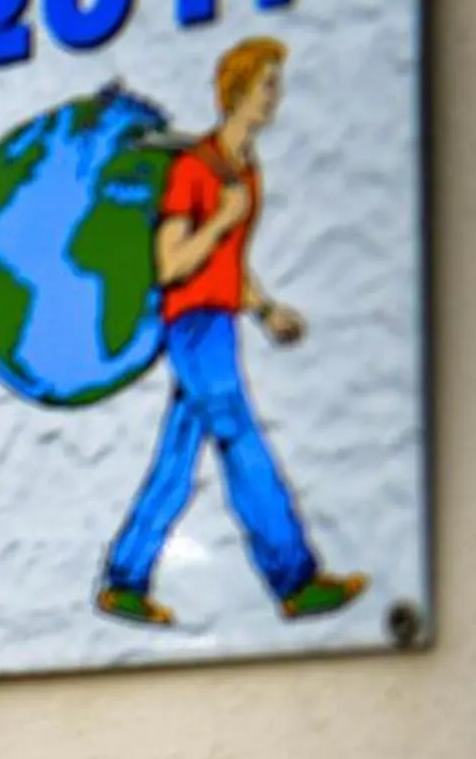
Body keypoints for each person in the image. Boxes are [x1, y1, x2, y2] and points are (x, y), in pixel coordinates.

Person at [97, 37, 363, 628]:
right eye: (267, 84)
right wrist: (220, 217)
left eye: (277, 84)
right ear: (238, 91)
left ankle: (124, 578)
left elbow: (228, 267)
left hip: (218, 321)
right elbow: (172, 264)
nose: (275, 97)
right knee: (242, 440)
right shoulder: (195, 171)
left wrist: (265, 310)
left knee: (177, 456)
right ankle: (294, 578)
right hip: (193, 327)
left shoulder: (245, 175)